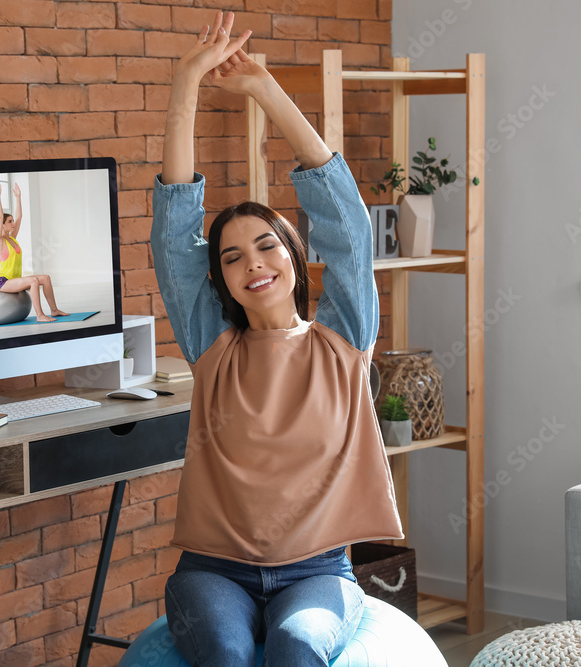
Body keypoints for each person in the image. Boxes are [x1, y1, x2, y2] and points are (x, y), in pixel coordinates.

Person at [151, 11, 404, 667]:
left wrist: (267, 92)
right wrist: (186, 87)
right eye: (232, 256)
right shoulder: (212, 346)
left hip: (318, 570)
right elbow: (175, 238)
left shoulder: (345, 340)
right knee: (228, 656)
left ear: (295, 257)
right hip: (211, 570)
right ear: (221, 280)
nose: (253, 263)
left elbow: (346, 223)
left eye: (267, 245)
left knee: (294, 648)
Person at [0, 180, 69, 322]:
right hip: (3, 281)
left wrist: (18, 197)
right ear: (1, 225)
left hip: (14, 279)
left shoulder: (12, 239)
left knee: (45, 278)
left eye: (12, 221)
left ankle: (54, 310)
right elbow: (0, 215)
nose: (13, 223)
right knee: (33, 281)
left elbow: (20, 217)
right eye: (9, 221)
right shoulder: (0, 241)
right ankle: (40, 315)